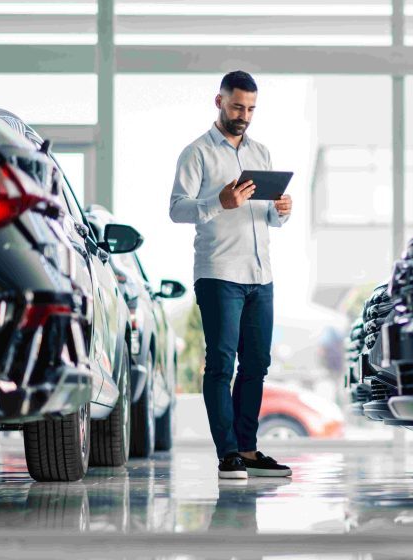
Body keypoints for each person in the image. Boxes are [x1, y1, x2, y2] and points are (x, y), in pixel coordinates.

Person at [169, 70, 294, 479]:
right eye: (238, 106)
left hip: (261, 275)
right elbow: (176, 209)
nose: (244, 115)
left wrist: (281, 214)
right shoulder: (197, 153)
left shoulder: (262, 153)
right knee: (221, 363)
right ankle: (227, 454)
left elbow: (265, 217)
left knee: (256, 364)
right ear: (219, 102)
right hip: (219, 273)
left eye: (251, 108)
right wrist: (217, 201)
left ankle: (248, 449)